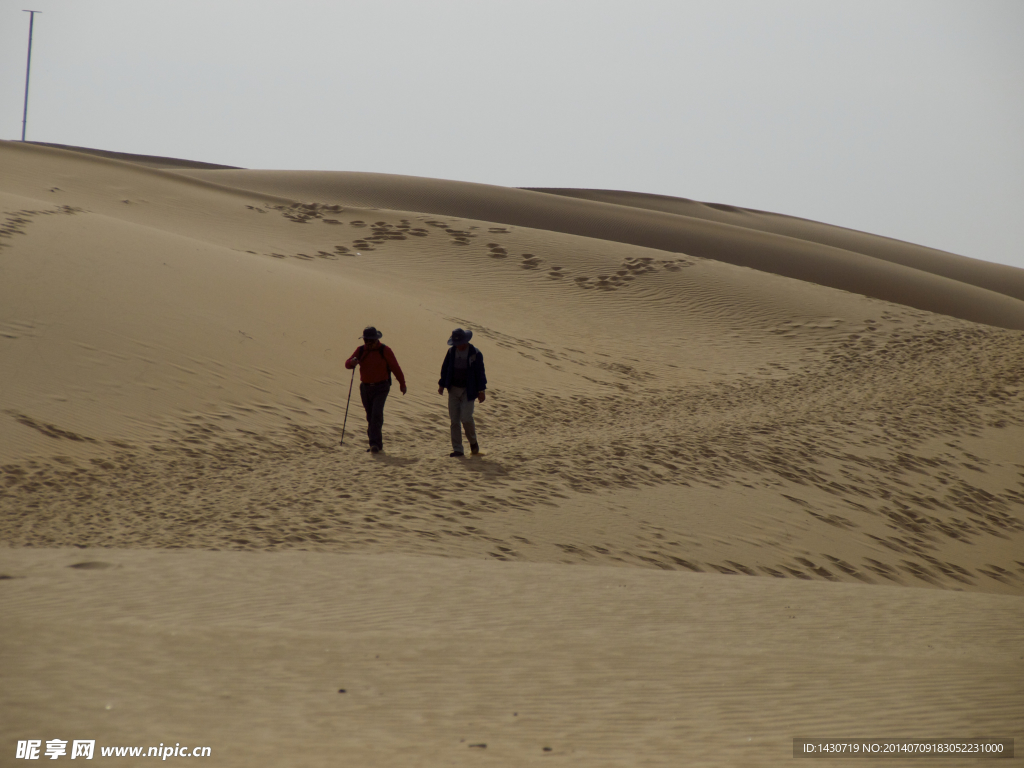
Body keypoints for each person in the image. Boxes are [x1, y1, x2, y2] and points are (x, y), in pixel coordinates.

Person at [345, 326, 406, 453]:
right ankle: (374, 442)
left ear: (377, 339)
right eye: (366, 340)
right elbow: (347, 364)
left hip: (382, 387)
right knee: (370, 416)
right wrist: (353, 362)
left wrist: (402, 383)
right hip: (365, 388)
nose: (368, 343)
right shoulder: (361, 350)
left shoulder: (385, 350)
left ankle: (375, 444)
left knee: (376, 414)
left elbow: (395, 367)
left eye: (371, 340)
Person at [438, 328, 487, 457]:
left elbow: (480, 373)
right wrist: (442, 385)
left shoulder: (475, 353)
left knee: (466, 418)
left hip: (468, 391)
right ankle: (458, 449)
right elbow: (445, 369)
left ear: (465, 341)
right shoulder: (451, 352)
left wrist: (481, 390)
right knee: (454, 421)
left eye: (459, 343)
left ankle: (473, 442)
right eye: (455, 343)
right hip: (453, 390)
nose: (457, 346)